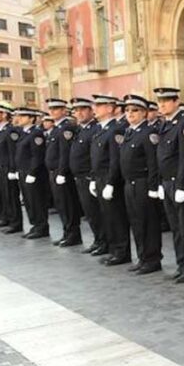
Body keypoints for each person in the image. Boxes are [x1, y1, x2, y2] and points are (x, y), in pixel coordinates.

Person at [154, 87, 184, 283]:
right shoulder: (165, 125)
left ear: (176, 102)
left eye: (166, 100)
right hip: (167, 183)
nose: (162, 104)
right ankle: (182, 263)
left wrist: (182, 185)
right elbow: (161, 157)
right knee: (176, 227)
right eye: (159, 101)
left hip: (179, 184)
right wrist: (159, 182)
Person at [113, 94, 162, 275]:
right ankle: (142, 257)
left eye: (135, 110)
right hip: (129, 184)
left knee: (147, 223)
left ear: (144, 113)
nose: (130, 114)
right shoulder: (129, 132)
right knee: (136, 222)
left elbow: (152, 163)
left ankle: (152, 259)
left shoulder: (149, 133)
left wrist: (152, 188)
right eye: (127, 110)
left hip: (142, 184)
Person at [91, 95, 131, 266]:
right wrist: (94, 178)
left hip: (110, 180)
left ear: (109, 108)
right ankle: (114, 249)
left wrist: (111, 183)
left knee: (116, 217)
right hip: (100, 179)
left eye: (99, 105)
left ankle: (121, 252)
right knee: (107, 216)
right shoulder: (100, 129)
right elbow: (95, 158)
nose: (95, 108)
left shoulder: (115, 129)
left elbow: (115, 159)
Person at [64, 98, 104, 253]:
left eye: (82, 109)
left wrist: (93, 177)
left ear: (91, 111)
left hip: (89, 176)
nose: (78, 113)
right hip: (80, 177)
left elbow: (94, 156)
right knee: (90, 212)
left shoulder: (95, 129)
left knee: (96, 212)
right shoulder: (80, 129)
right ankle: (98, 240)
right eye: (76, 110)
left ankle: (103, 241)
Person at [45, 98, 83, 247]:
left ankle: (73, 235)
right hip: (54, 172)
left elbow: (65, 153)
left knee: (68, 205)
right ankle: (66, 233)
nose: (52, 112)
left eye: (56, 109)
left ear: (63, 111)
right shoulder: (55, 128)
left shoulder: (66, 128)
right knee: (61, 205)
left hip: (62, 174)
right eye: (51, 109)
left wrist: (61, 172)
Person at [13, 107, 49, 239]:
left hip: (33, 174)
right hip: (23, 171)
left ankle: (41, 227)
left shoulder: (36, 133)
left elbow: (37, 156)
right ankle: (35, 225)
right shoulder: (24, 133)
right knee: (28, 200)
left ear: (31, 118)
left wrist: (32, 173)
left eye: (23, 116)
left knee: (36, 200)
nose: (19, 119)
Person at [0, 103, 23, 234]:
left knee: (11, 196)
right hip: (0, 167)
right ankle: (7, 218)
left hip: (7, 168)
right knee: (4, 194)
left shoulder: (11, 130)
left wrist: (12, 169)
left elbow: (12, 152)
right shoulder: (0, 130)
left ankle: (16, 223)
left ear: (4, 114)